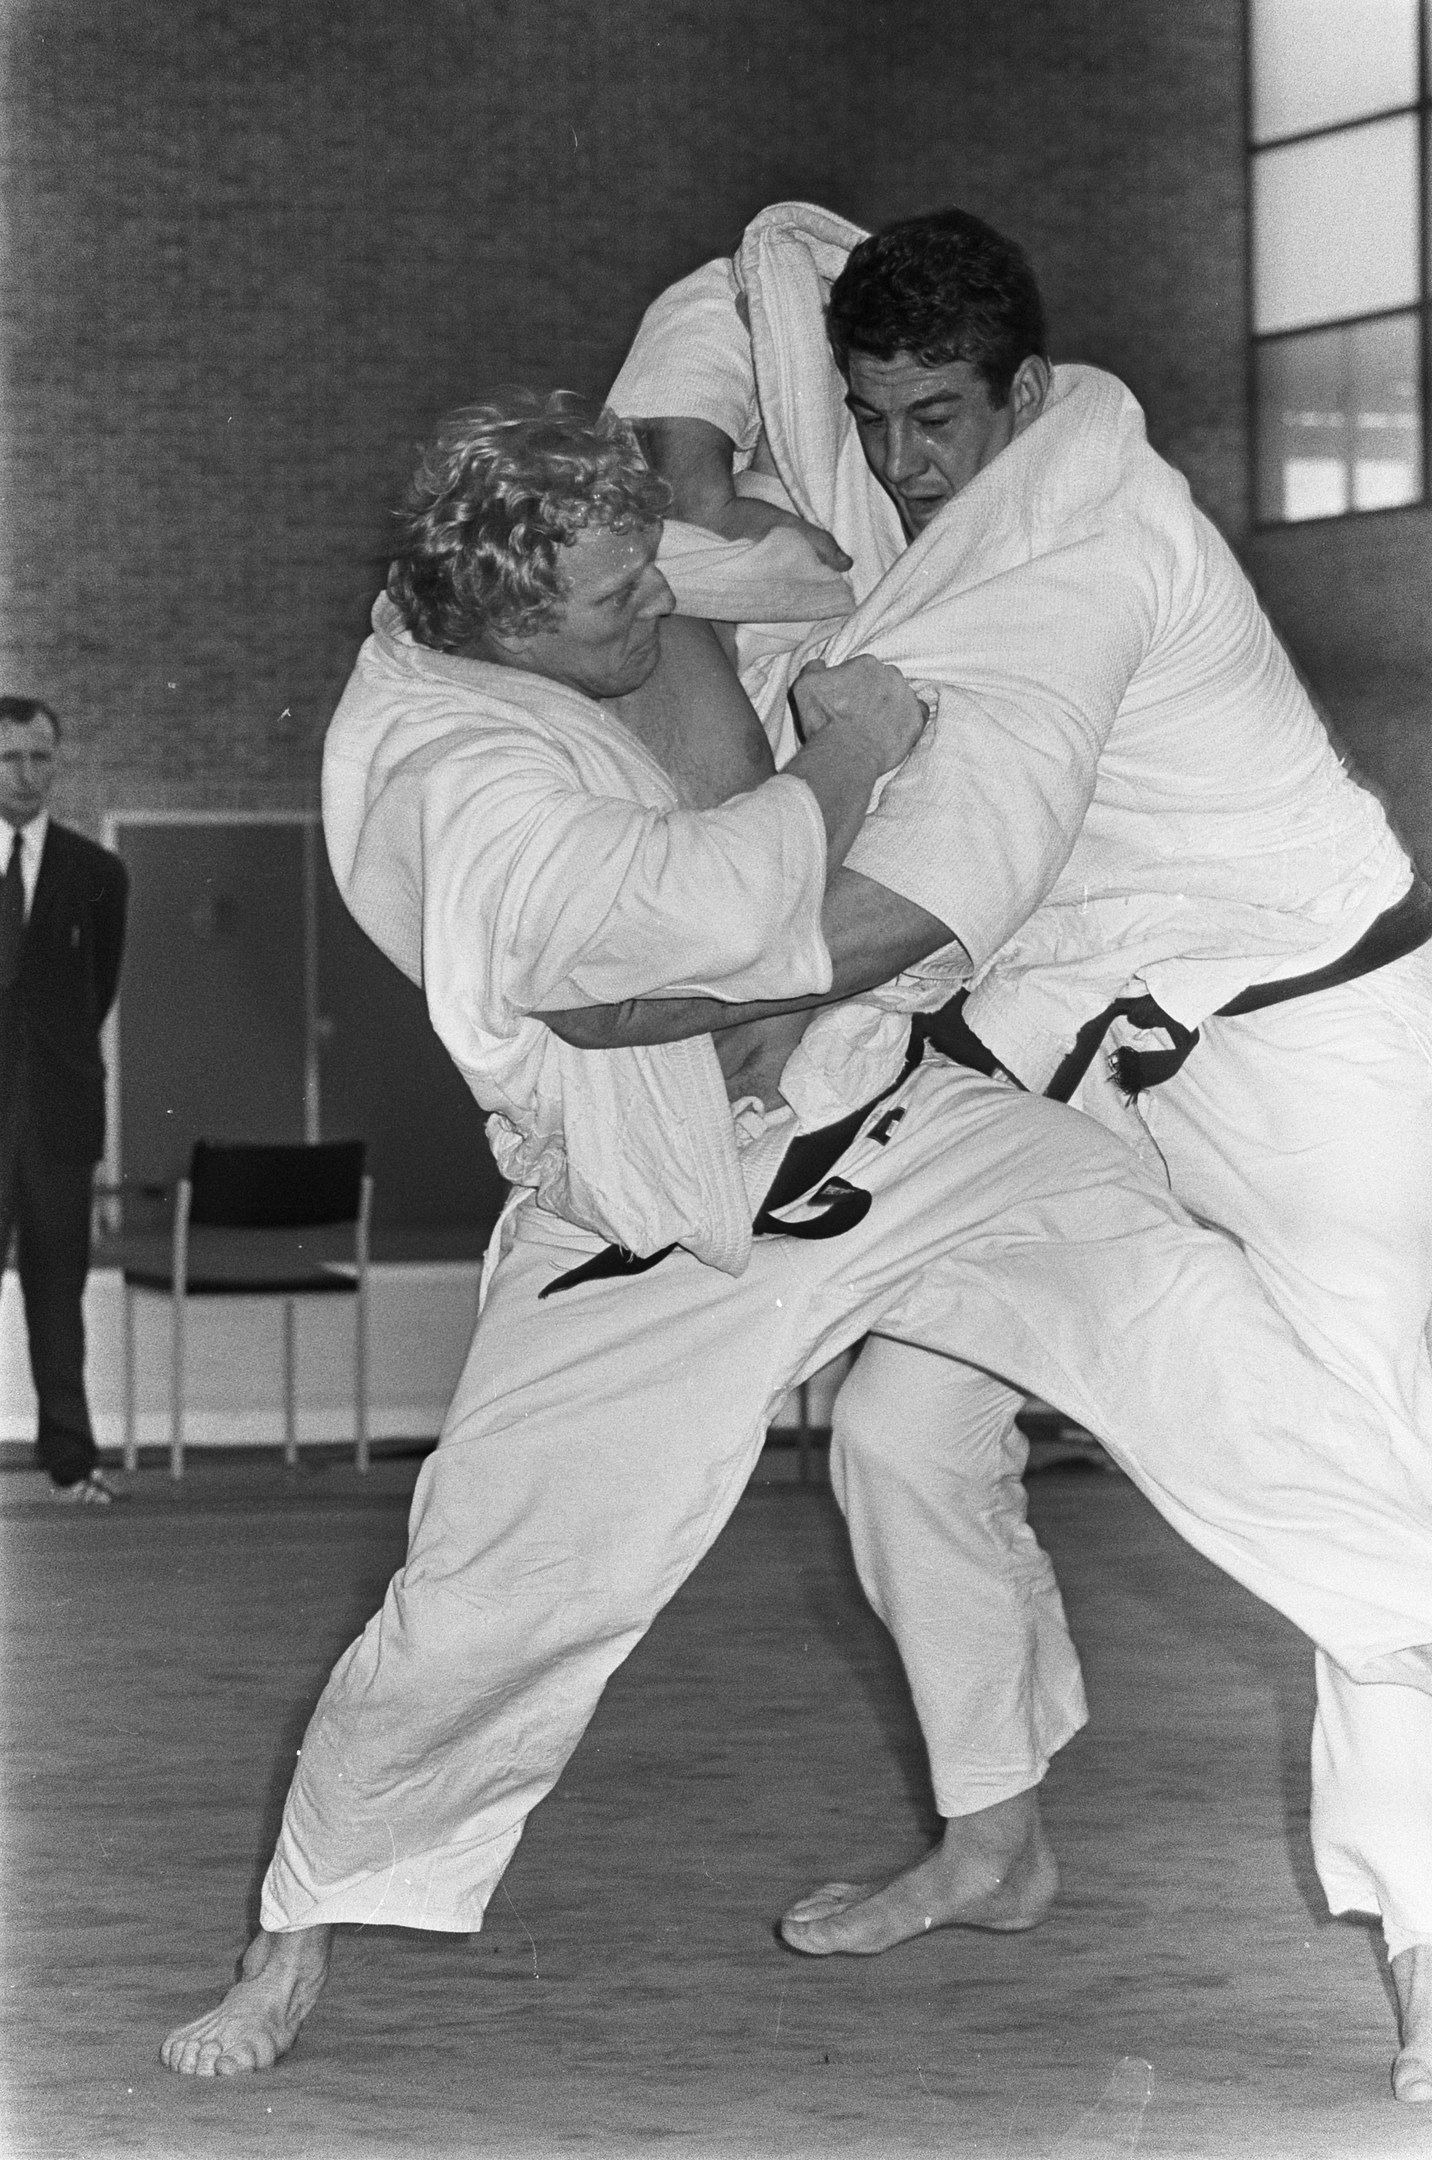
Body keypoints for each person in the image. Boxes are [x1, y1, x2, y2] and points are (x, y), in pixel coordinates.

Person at [160, 393, 1432, 2085]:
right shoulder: (445, 772)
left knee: (1175, 1318)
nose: (651, 611)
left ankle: (1388, 1629)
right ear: (506, 627)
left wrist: (763, 499)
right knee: (493, 1592)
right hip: (660, 1234)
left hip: (897, 1129)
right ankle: (292, 1932)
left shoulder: (577, 578)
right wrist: (848, 746)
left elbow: (766, 409)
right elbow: (665, 948)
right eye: (616, 607)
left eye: (642, 581)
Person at [598, 200, 1432, 2098]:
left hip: (1311, 1062)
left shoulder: (1078, 554)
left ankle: (1423, 1937)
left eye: (937, 425)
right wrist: (693, 468)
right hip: (1086, 1065)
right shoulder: (885, 407)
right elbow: (760, 256)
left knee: (1354, 1493)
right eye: (872, 418)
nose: (897, 465)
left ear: (1024, 397)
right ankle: (995, 1839)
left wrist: (690, 1039)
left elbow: (899, 916)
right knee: (899, 1431)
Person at [0, 696, 127, 1504]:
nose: (26, 775)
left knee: (59, 1297)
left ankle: (72, 1465)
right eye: (10, 758)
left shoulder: (98, 874)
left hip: (55, 1120)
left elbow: (96, 994)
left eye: (41, 758)